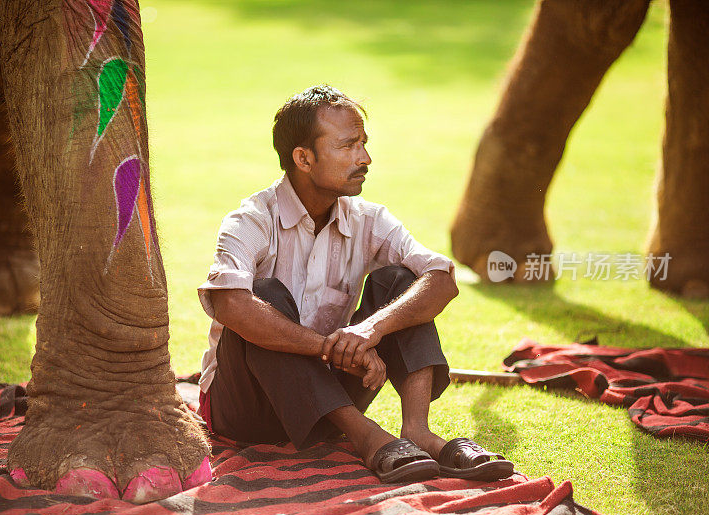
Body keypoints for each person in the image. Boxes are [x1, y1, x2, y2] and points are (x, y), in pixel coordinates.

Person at [197, 85, 513, 483]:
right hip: (246, 411)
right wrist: (328, 349)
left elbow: (441, 278)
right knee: (262, 295)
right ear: (303, 158)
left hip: (327, 402)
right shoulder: (251, 219)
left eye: (363, 143)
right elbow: (230, 306)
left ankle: (418, 431)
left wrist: (370, 329)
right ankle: (367, 436)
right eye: (348, 146)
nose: (364, 158)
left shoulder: (368, 219)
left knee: (404, 280)